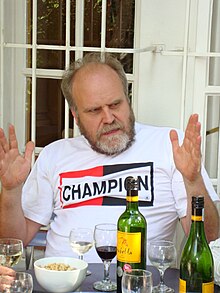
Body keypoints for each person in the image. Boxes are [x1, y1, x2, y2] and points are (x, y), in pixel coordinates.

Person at [0, 53, 219, 263]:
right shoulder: (54, 155)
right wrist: (10, 191)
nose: (108, 118)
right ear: (76, 116)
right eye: (95, 110)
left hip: (137, 284)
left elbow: (210, 241)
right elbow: (12, 241)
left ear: (127, 99)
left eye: (115, 104)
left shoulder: (170, 145)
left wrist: (193, 182)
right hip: (62, 282)